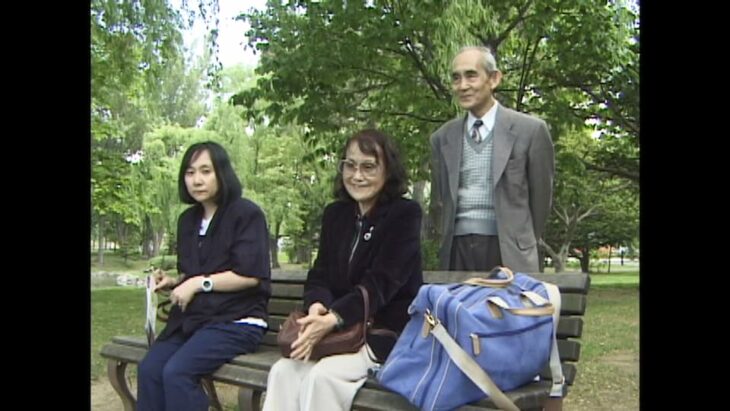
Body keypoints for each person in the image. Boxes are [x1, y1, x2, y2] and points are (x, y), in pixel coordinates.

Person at [262, 129, 423, 411]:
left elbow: (381, 283)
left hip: (382, 333)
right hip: (335, 332)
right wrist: (316, 307)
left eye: (368, 167)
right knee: (283, 372)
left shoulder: (404, 214)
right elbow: (320, 274)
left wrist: (334, 318)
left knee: (322, 378)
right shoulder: (336, 215)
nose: (357, 176)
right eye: (350, 165)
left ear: (388, 171)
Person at [137, 141, 271, 411]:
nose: (197, 180)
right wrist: (174, 283)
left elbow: (251, 275)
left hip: (237, 321)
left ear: (222, 173)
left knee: (177, 373)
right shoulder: (188, 220)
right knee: (149, 369)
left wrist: (199, 284)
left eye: (205, 171)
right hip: (195, 321)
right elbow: (193, 272)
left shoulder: (246, 214)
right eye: (190, 172)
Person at [430, 45, 555, 273]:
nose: (463, 85)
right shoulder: (442, 138)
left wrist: (521, 238)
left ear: (494, 79)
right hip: (457, 251)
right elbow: (440, 200)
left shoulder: (531, 131)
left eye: (471, 75)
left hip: (510, 252)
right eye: (456, 78)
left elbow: (541, 200)